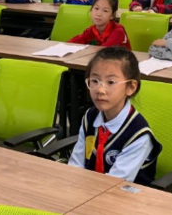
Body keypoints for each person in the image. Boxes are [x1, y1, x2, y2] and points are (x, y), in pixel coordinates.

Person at [68, 47, 162, 184]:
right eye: (94, 81)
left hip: (124, 194)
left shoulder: (138, 135)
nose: (100, 90)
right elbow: (75, 166)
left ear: (131, 87)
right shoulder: (90, 117)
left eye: (111, 82)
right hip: (88, 188)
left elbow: (113, 184)